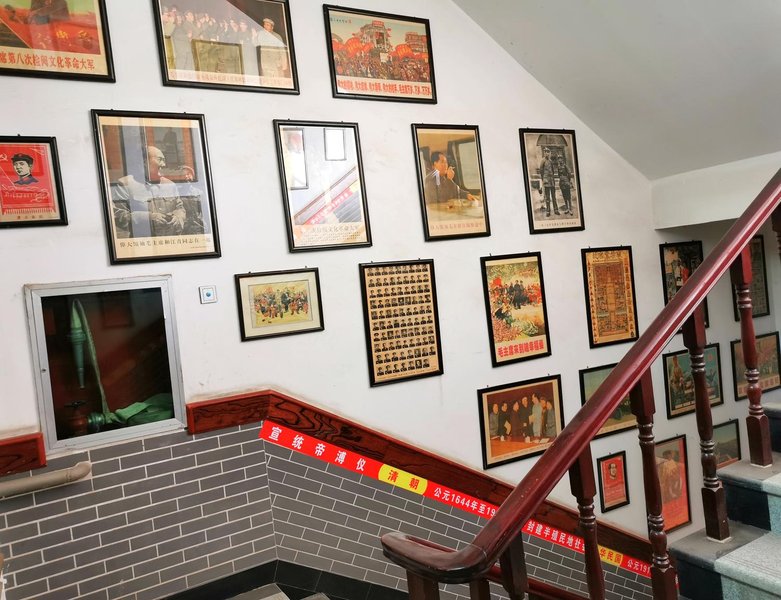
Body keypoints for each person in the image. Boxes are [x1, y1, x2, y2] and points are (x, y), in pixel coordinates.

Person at [112, 146, 186, 238]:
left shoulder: (170, 184)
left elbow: (180, 208)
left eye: (164, 160)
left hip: (169, 240)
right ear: (144, 162)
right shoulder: (126, 184)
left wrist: (178, 216)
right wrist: (148, 218)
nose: (164, 164)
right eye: (160, 159)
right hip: (143, 241)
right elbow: (117, 215)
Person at [538, 147, 559, 217]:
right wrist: (544, 179)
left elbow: (552, 171)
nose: (547, 153)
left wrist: (553, 179)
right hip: (546, 181)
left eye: (548, 152)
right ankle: (548, 211)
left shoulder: (550, 161)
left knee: (554, 197)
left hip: (552, 181)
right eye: (545, 152)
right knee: (547, 197)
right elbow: (541, 171)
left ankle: (556, 210)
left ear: (549, 153)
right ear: (544, 153)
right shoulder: (543, 161)